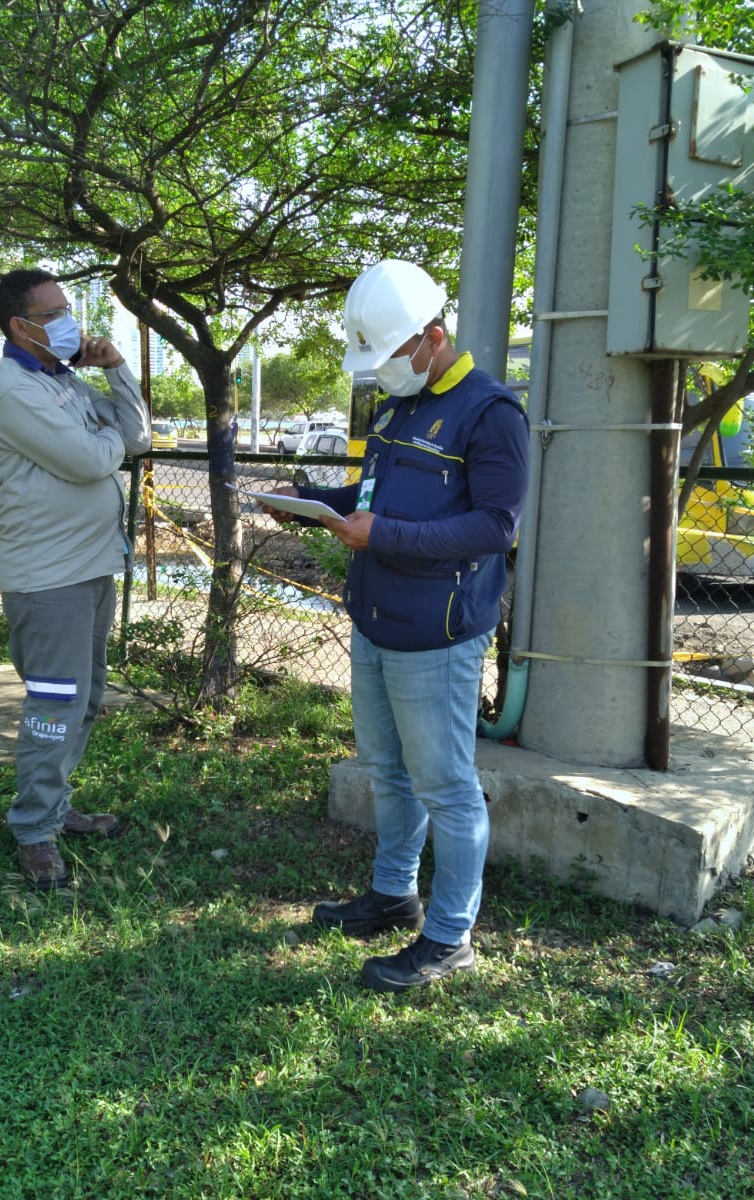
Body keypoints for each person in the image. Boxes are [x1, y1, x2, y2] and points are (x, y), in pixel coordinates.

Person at [263, 259, 529, 992]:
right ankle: (393, 895)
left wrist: (381, 537)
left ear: (432, 339)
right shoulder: (398, 407)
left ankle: (449, 937)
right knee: (387, 769)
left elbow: (494, 528)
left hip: (437, 632)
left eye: (387, 360)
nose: (379, 375)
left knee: (446, 784)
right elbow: (372, 494)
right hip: (376, 616)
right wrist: (309, 499)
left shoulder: (491, 413)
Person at [0, 268, 152, 889]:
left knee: (85, 697)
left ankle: (51, 805)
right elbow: (90, 460)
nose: (68, 320)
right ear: (19, 326)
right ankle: (34, 827)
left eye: (66, 307)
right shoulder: (11, 389)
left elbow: (135, 436)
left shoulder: (66, 381)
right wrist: (106, 440)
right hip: (48, 579)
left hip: (91, 566)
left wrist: (115, 368)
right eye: (52, 312)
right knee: (54, 704)